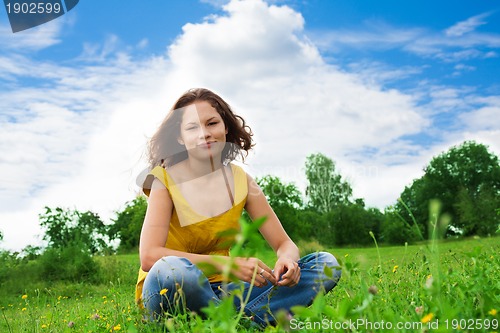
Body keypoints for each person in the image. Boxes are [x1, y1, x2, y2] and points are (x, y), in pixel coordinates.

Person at [135, 88, 341, 327]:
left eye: (212, 123)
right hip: (169, 289)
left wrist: (288, 262)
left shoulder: (241, 181)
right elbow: (150, 256)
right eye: (192, 127)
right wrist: (229, 266)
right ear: (180, 138)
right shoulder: (163, 179)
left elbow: (284, 243)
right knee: (174, 270)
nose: (204, 134)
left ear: (225, 127)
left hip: (226, 291)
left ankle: (237, 322)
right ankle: (243, 321)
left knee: (325, 263)